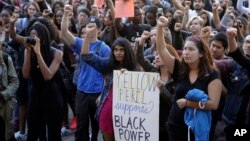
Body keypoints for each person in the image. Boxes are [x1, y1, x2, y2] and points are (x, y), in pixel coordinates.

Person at [156, 16, 222, 141]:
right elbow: (162, 49)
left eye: (191, 49)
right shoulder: (178, 68)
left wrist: (188, 103)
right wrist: (159, 27)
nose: (186, 52)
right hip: (175, 127)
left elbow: (213, 104)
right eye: (185, 49)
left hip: (198, 130)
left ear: (201, 53)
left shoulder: (212, 74)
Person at [60, 5, 111, 141]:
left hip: (97, 93)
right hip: (82, 91)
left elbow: (107, 73)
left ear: (99, 30)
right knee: (81, 126)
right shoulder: (81, 43)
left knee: (96, 126)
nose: (90, 28)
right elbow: (64, 32)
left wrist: (103, 94)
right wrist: (65, 14)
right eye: (89, 25)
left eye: (94, 26)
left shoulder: (105, 49)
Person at [81, 23, 138, 140]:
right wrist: (87, 34)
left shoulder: (136, 69)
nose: (118, 53)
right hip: (108, 111)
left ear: (127, 52)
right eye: (116, 50)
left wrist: (129, 77)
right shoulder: (109, 64)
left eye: (122, 50)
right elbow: (85, 56)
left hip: (128, 115)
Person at [22, 21, 64, 141]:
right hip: (35, 95)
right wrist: (29, 52)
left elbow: (48, 76)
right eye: (31, 36)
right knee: (32, 133)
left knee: (54, 134)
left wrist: (38, 53)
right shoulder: (28, 52)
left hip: (52, 96)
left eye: (35, 36)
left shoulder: (57, 53)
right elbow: (25, 75)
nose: (33, 39)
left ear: (43, 37)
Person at [136, 30, 180, 140]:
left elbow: (174, 103)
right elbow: (140, 59)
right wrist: (141, 42)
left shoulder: (177, 79)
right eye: (156, 54)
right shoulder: (153, 71)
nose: (156, 57)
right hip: (151, 121)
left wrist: (162, 89)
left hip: (167, 124)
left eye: (160, 55)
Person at [226, 28, 250, 139]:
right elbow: (237, 56)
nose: (249, 46)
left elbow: (237, 55)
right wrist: (231, 38)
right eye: (248, 42)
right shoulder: (232, 64)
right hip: (234, 120)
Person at [0, 41, 19, 141]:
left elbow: (14, 81)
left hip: (4, 107)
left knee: (8, 136)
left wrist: (4, 94)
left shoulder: (6, 58)